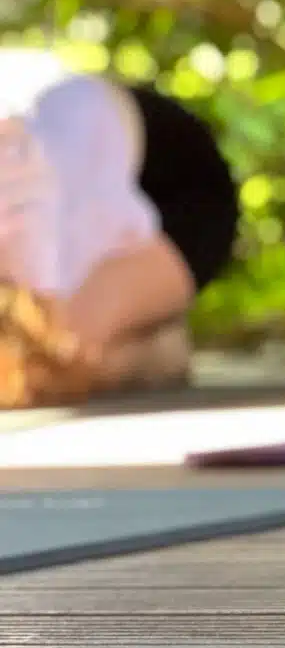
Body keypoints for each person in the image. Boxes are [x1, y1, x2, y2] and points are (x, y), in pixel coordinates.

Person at [1, 50, 239, 408]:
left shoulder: (22, 191)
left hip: (176, 183)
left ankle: (150, 343)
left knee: (48, 360)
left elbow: (50, 336)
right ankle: (147, 334)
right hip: (84, 153)